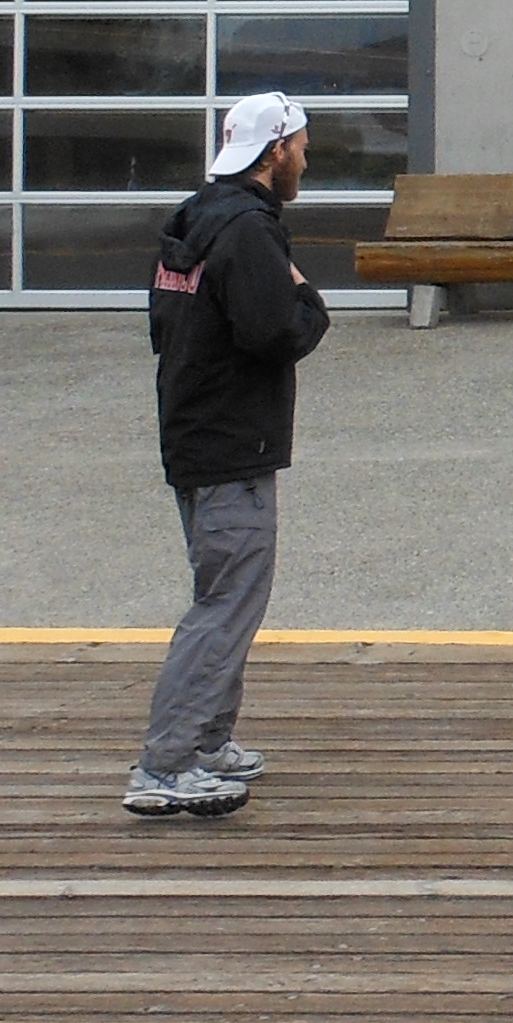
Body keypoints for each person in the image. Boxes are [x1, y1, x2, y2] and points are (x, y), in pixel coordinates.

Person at [130, 90, 336, 821]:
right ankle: (166, 764)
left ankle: (209, 741)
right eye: (301, 148)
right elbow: (275, 330)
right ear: (275, 150)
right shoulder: (248, 231)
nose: (306, 160)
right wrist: (311, 302)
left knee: (228, 596)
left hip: (194, 435)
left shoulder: (195, 218)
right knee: (225, 605)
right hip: (232, 447)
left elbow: (164, 327)